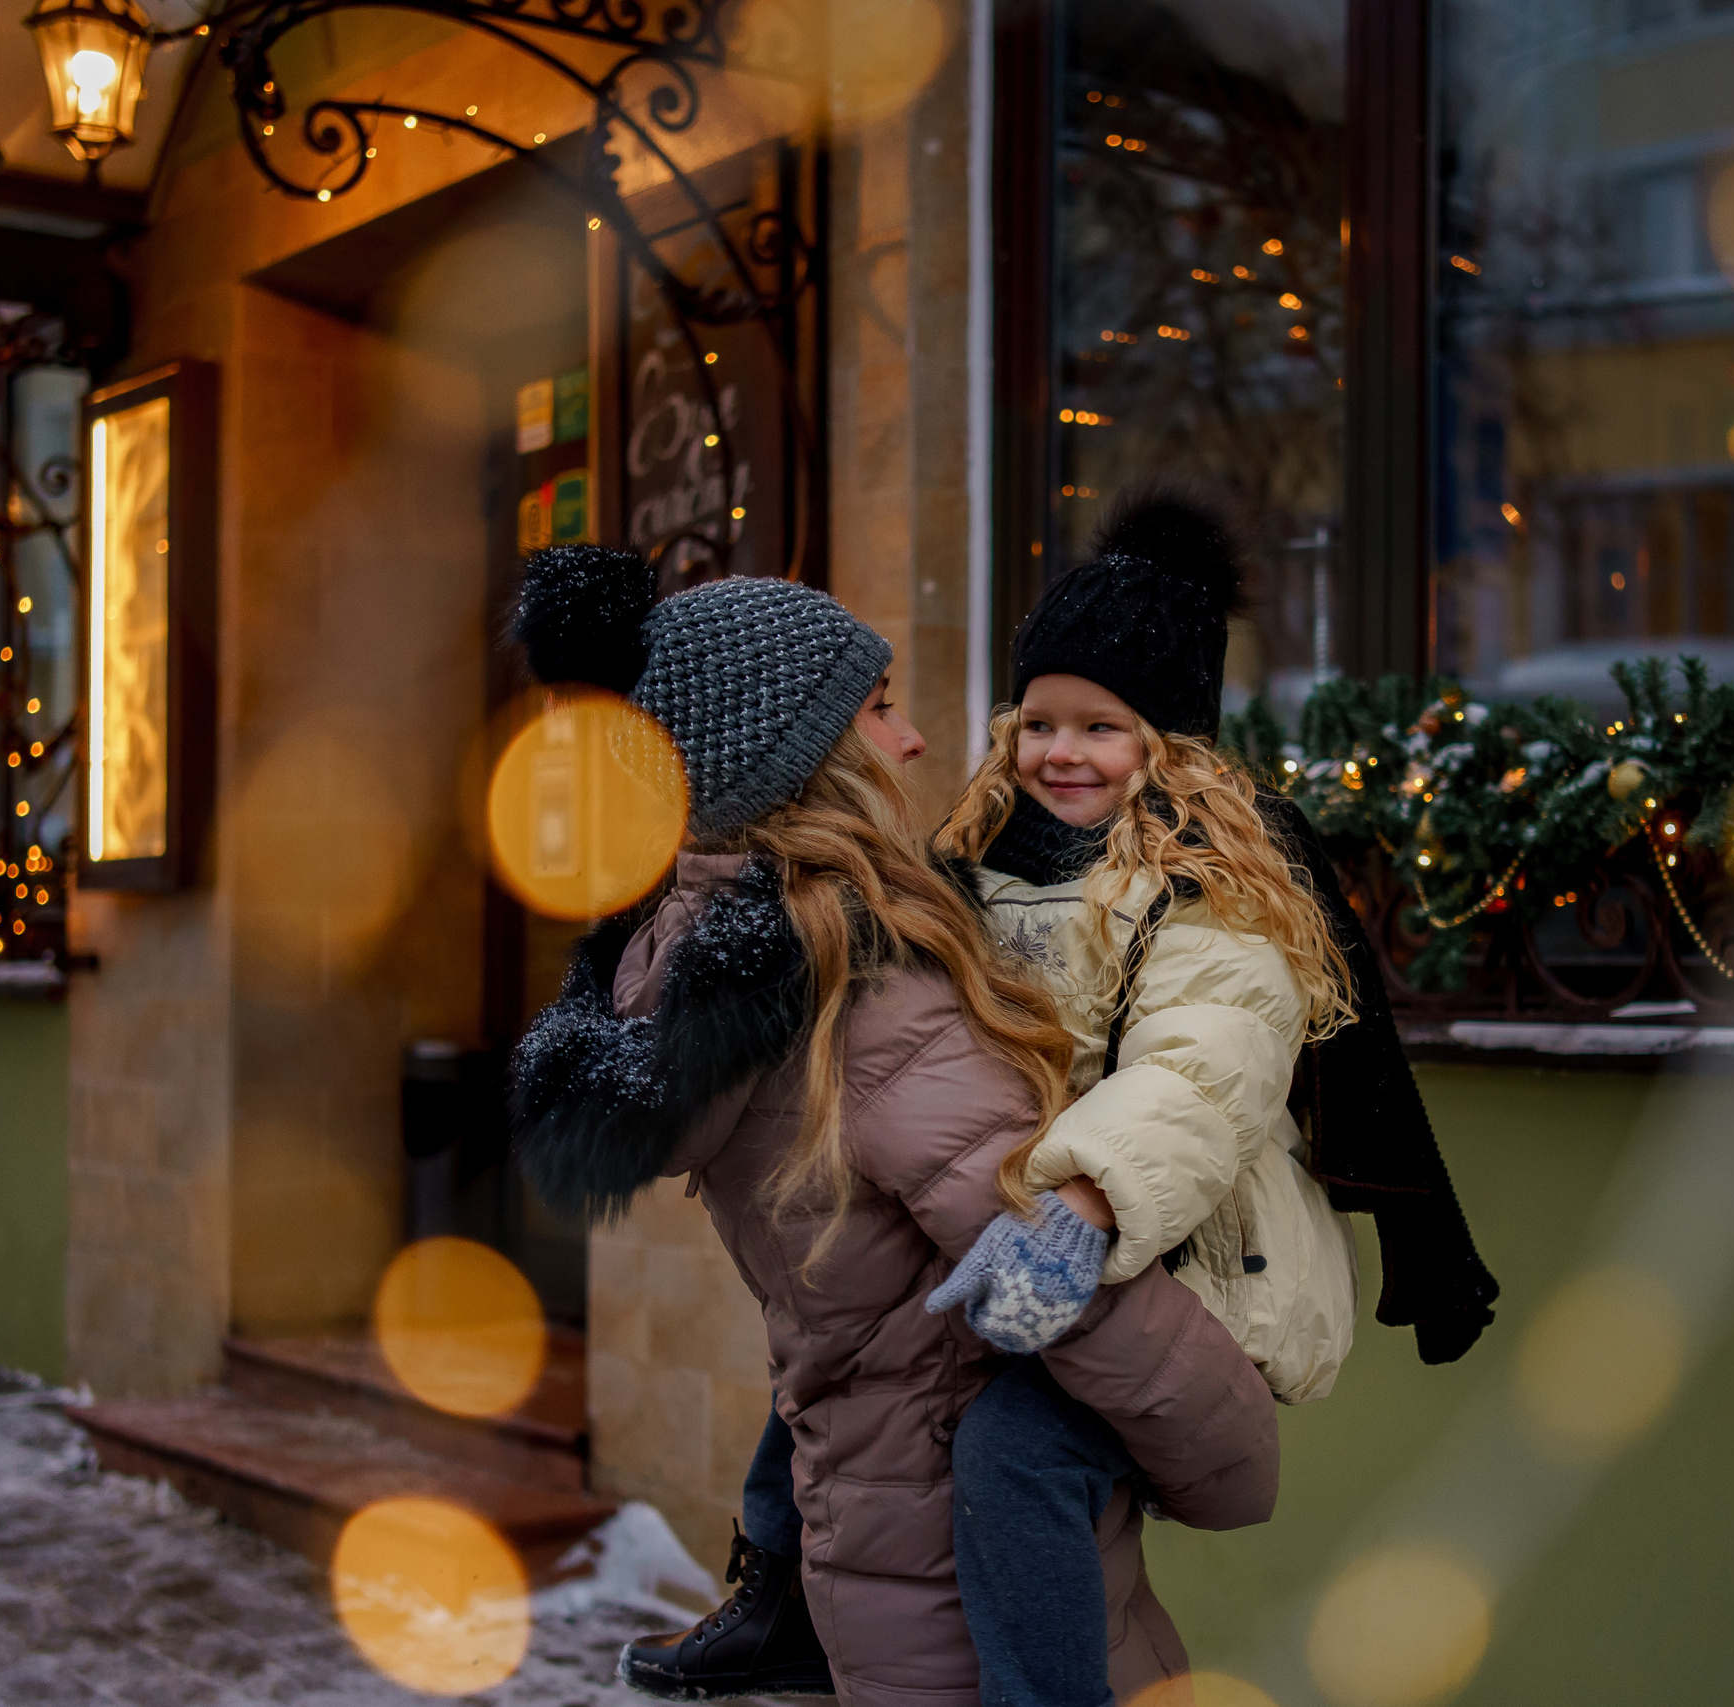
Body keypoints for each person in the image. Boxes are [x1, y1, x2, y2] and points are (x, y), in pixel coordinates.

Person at [660, 492, 1503, 1707]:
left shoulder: (1211, 887)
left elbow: (1197, 1075)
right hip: (1042, 1235)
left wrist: (1091, 1203)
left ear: (1171, 745)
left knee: (1013, 1455)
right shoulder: (985, 861)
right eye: (1038, 722)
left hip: (1197, 1259)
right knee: (840, 1380)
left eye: (1102, 728)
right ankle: (776, 1597)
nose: (1061, 753)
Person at [507, 547, 1280, 1707]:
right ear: (804, 758)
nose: (914, 740)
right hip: (962, 1561)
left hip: (874, 1532)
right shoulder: (866, 987)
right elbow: (1038, 1262)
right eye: (877, 709)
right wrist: (1230, 1453)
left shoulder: (698, 952)